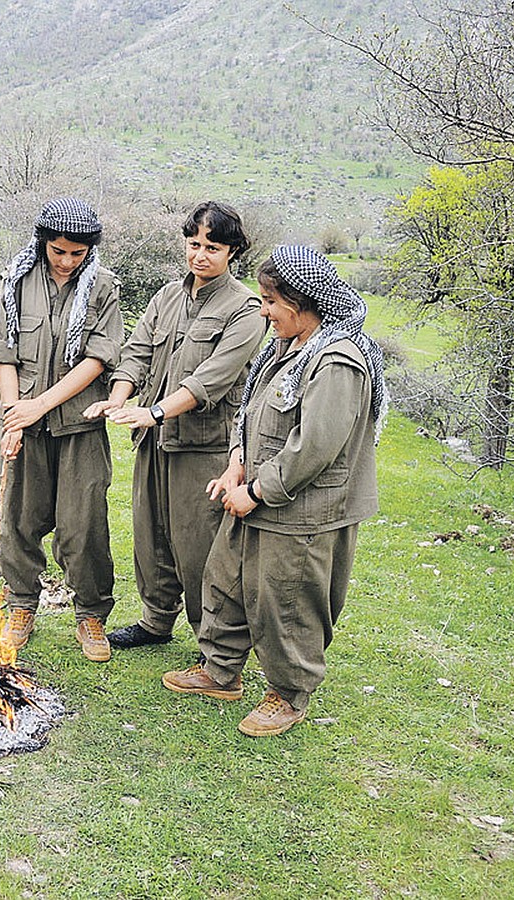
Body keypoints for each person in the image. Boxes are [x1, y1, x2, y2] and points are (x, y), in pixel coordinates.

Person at [162, 246, 386, 736]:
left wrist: (259, 492)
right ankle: (220, 672)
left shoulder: (337, 360)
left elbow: (316, 447)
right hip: (255, 495)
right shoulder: (285, 346)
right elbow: (251, 412)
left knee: (288, 600)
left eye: (270, 301)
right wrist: (236, 466)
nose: (262, 310)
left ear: (303, 302)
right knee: (226, 580)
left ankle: (288, 694)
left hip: (303, 509)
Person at [84, 201, 264, 652]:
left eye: (213, 247)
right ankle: (155, 621)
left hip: (203, 447)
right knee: (151, 538)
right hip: (153, 440)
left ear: (233, 252)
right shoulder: (166, 296)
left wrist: (156, 412)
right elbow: (138, 352)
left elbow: (213, 379)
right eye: (194, 243)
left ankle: (215, 646)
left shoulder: (245, 308)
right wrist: (119, 398)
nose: (200, 255)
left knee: (200, 548)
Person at [0, 198, 123, 662]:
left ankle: (90, 614)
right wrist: (13, 416)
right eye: (58, 251)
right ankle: (21, 605)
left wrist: (39, 406)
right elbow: (5, 353)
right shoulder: (16, 281)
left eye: (76, 254)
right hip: (22, 420)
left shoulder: (104, 288)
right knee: (19, 521)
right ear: (43, 241)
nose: (66, 261)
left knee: (83, 524)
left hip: (78, 424)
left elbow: (98, 359)